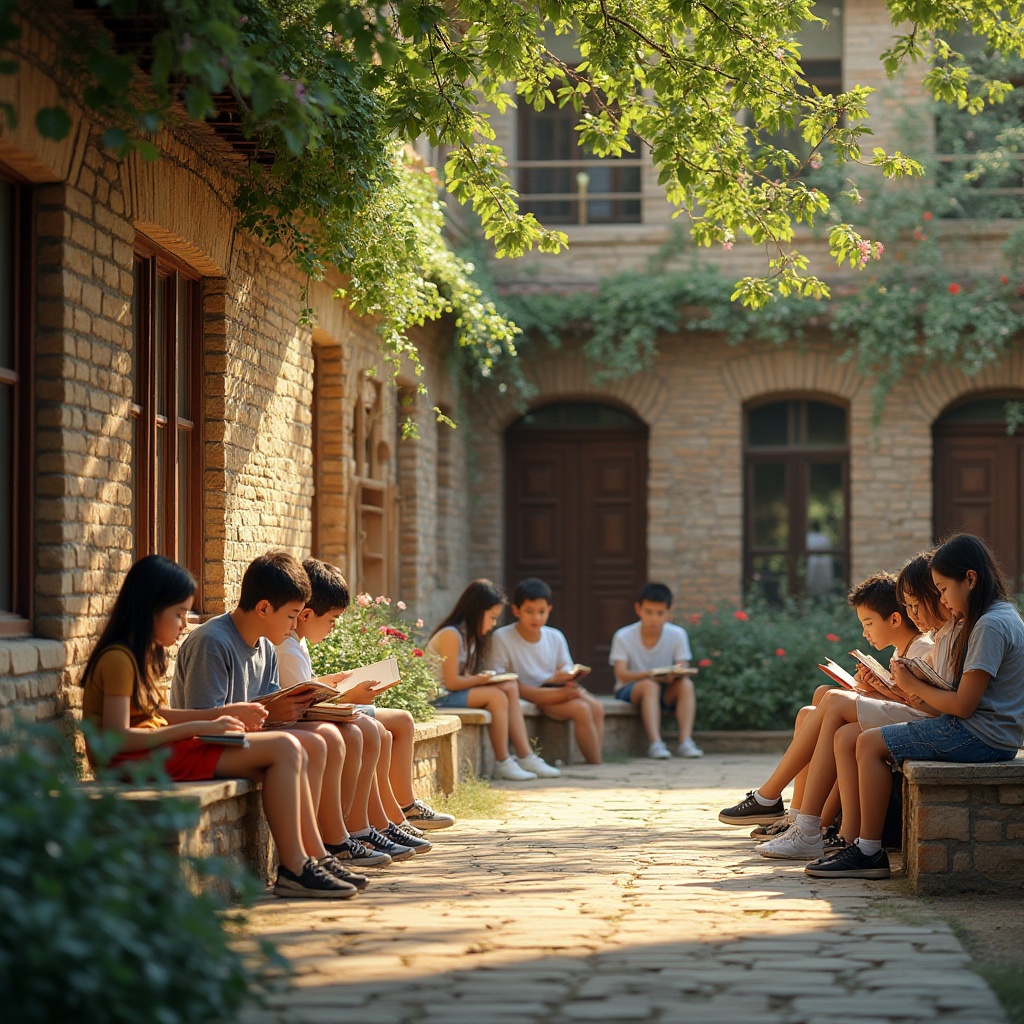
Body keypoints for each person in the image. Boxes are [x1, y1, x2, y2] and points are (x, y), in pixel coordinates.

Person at [81, 554, 360, 899]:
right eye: (179, 614)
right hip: (131, 761)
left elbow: (156, 714)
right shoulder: (118, 659)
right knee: (286, 748)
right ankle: (296, 867)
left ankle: (309, 857)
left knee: (293, 747)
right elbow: (116, 739)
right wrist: (195, 727)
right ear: (149, 609)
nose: (185, 623)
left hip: (153, 752)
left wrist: (216, 717)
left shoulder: (141, 655)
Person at [808, 534, 1024, 879]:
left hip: (980, 736)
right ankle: (860, 844)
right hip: (982, 732)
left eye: (943, 589)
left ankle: (867, 851)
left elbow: (964, 705)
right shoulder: (992, 618)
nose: (942, 599)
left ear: (970, 579)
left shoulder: (990, 625)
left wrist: (912, 685)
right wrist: (913, 689)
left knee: (868, 743)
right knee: (863, 738)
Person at [171, 549, 390, 871]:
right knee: (310, 742)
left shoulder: (264, 646)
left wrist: (295, 705)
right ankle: (314, 855)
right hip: (208, 745)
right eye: (291, 615)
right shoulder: (212, 642)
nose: (293, 626)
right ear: (263, 608)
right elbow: (205, 719)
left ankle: (326, 845)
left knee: (327, 735)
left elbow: (268, 706)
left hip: (248, 737)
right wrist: (271, 712)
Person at [718, 572, 930, 844]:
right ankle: (796, 817)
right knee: (813, 706)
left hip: (920, 723)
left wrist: (883, 690)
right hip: (907, 714)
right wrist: (875, 688)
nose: (864, 632)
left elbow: (921, 703)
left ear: (895, 619)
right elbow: (904, 696)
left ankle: (777, 801)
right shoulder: (901, 651)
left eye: (868, 623)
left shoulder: (923, 647)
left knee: (833, 703)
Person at [275, 557, 451, 854]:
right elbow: (302, 704)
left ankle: (389, 817)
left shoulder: (296, 642)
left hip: (317, 713)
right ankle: (374, 824)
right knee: (374, 730)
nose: (332, 628)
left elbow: (305, 687)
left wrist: (332, 683)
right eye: (331, 620)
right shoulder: (287, 646)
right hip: (305, 720)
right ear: (305, 615)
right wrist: (349, 697)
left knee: (386, 727)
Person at [427, 579, 559, 780]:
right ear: (477, 611)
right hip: (438, 697)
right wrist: (481, 680)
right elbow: (452, 682)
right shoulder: (451, 635)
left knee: (509, 685)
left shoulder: (468, 637)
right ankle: (503, 761)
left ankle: (526, 756)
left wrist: (484, 679)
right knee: (496, 697)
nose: (493, 624)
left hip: (452, 693)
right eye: (492, 617)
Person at [490, 578, 605, 765]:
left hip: (555, 688)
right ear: (516, 610)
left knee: (597, 707)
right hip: (526, 692)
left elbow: (565, 666)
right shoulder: (502, 637)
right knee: (582, 709)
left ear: (549, 609)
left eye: (541, 612)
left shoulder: (555, 636)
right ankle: (595, 762)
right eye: (529, 611)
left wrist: (565, 675)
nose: (536, 618)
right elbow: (499, 677)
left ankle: (594, 756)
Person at [609, 582, 703, 759]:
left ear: (669, 612)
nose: (654, 618)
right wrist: (651, 675)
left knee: (686, 685)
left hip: (665, 688)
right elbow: (621, 674)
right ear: (638, 609)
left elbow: (681, 666)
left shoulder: (678, 634)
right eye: (649, 612)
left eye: (660, 613)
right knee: (649, 685)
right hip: (631, 690)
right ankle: (655, 743)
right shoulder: (623, 636)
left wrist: (672, 674)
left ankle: (685, 742)